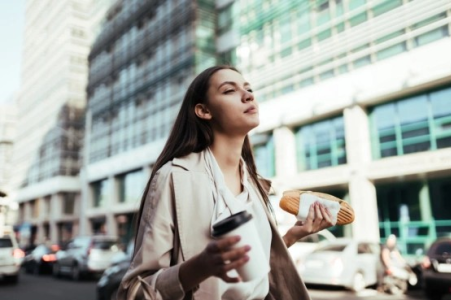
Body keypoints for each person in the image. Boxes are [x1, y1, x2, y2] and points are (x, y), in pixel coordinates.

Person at [117, 65, 335, 300]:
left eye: (249, 89)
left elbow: (251, 272)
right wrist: (200, 266)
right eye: (229, 91)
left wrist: (292, 236)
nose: (248, 95)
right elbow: (135, 291)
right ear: (203, 110)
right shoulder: (173, 177)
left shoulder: (254, 184)